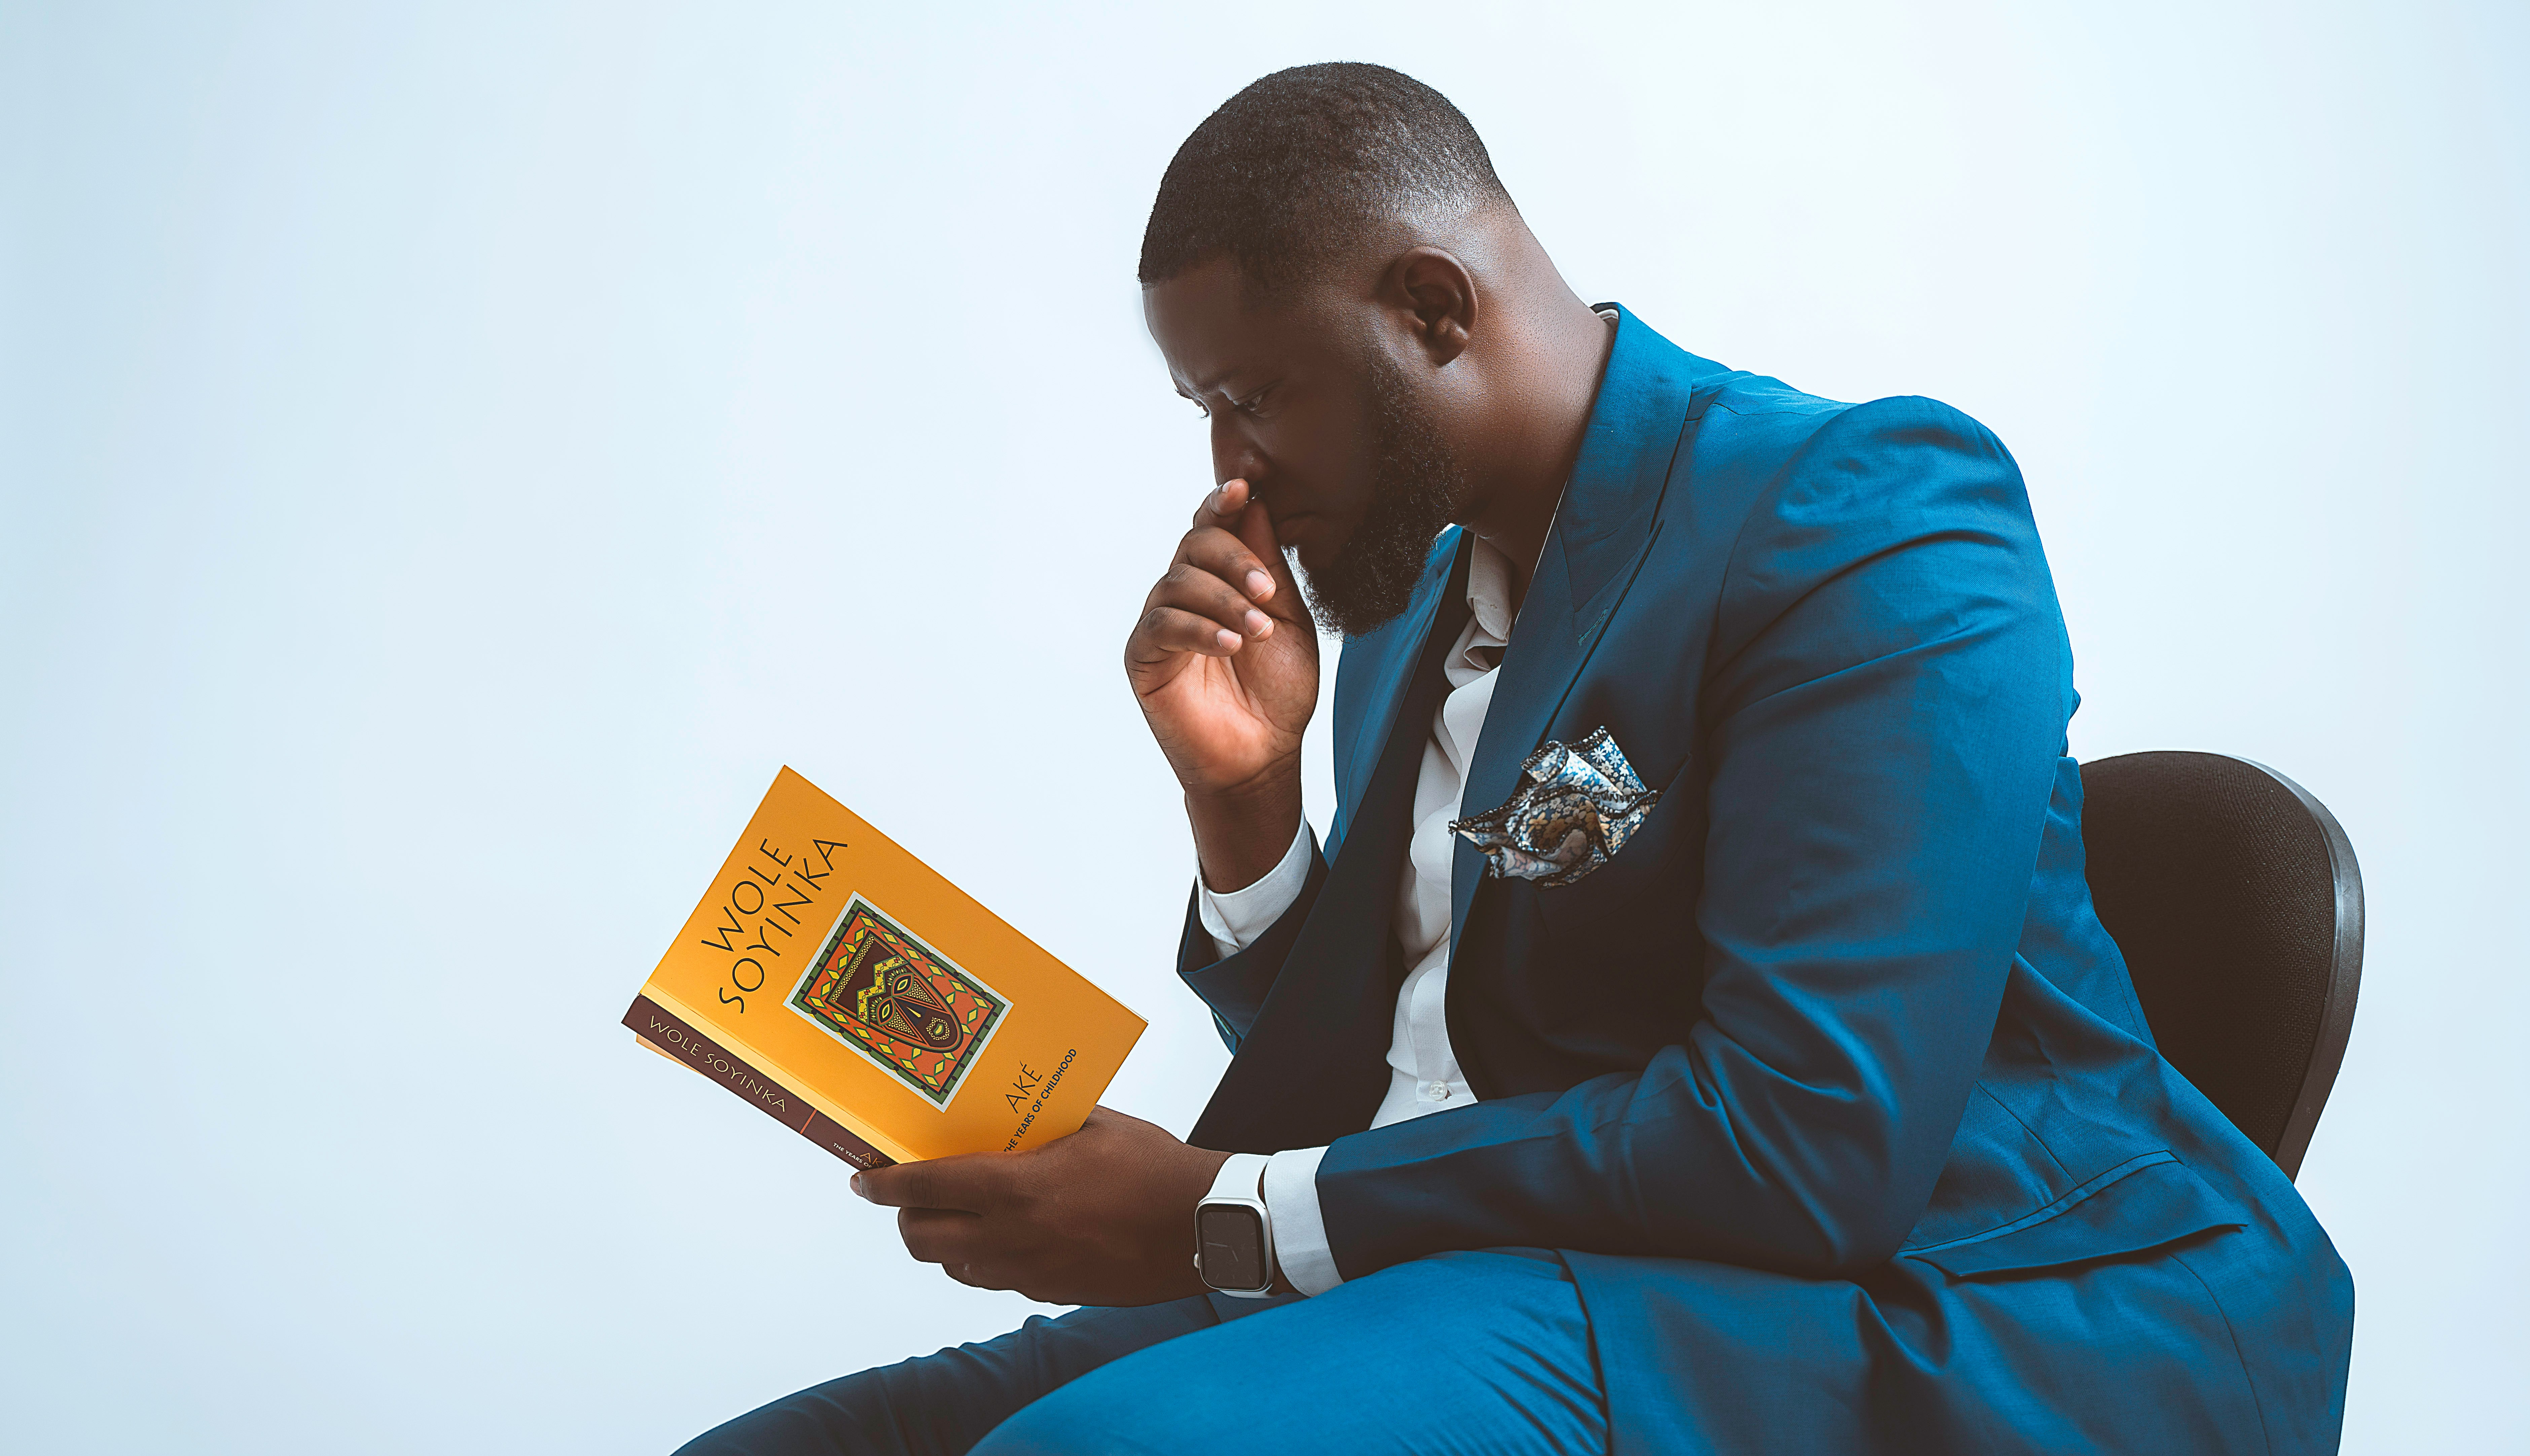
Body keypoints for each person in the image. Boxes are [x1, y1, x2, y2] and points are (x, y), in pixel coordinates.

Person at [678, 62, 2354, 1455]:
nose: (1227, 471)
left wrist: (1215, 1216)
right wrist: (1246, 807)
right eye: (1202, 407)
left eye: (1256, 396)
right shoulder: (1405, 602)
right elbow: (1398, 1088)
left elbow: (1804, 1141)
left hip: (1942, 1306)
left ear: (1429, 308)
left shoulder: (1866, 520)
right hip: (1523, 1259)